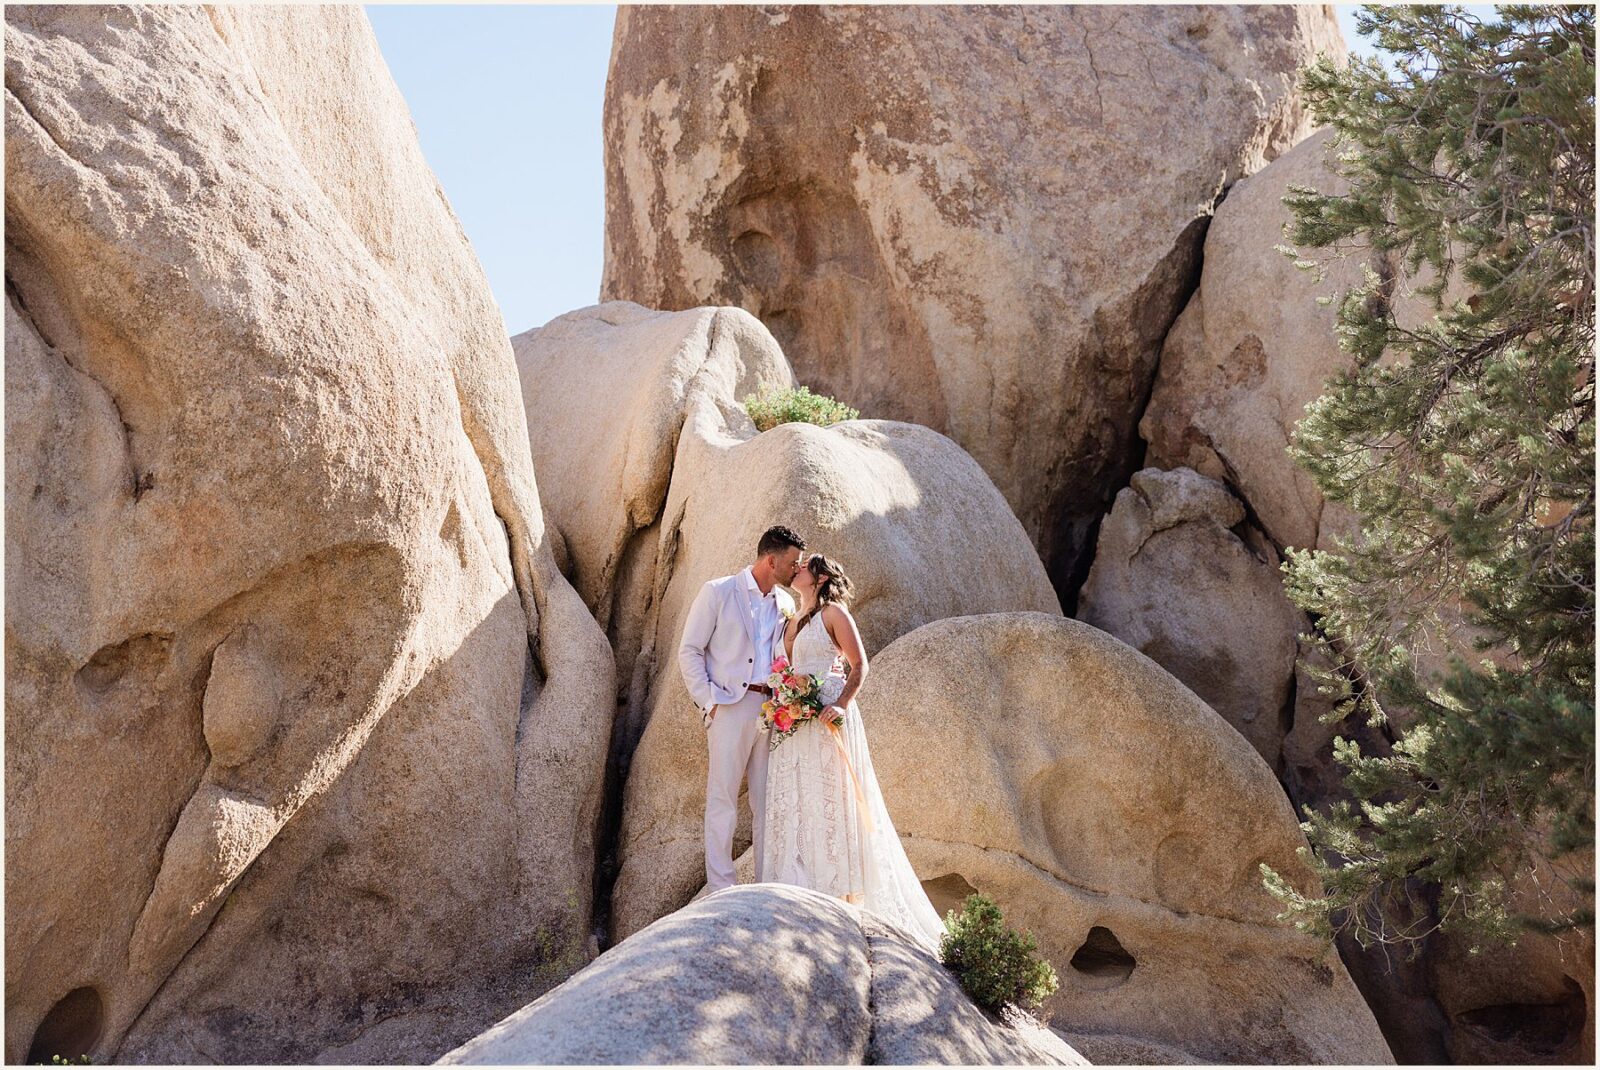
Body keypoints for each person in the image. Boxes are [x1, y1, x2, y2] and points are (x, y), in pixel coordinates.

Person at [763, 552, 946, 949]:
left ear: (821, 575)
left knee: (833, 795)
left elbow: (859, 664)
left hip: (828, 713)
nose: (797, 569)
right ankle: (799, 881)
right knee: (798, 794)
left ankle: (839, 890)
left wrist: (841, 703)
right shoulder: (792, 619)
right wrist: (782, 696)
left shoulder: (834, 614)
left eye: (805, 565)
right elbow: (785, 666)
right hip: (794, 719)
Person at [677, 525, 804, 893]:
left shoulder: (785, 604)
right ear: (771, 560)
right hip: (729, 707)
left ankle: (766, 886)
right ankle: (721, 888)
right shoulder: (718, 592)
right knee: (723, 800)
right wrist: (710, 703)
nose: (797, 570)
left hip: (772, 710)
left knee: (767, 802)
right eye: (793, 563)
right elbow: (689, 650)